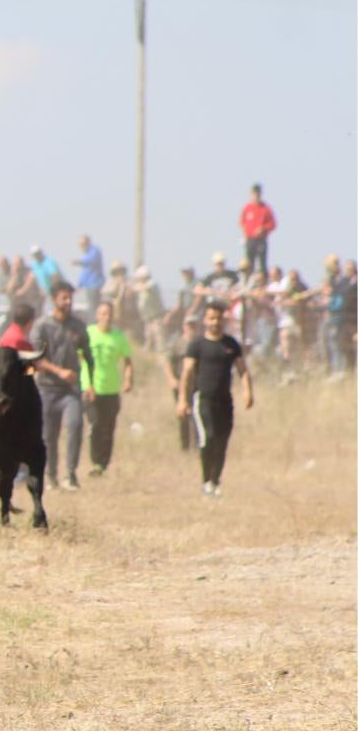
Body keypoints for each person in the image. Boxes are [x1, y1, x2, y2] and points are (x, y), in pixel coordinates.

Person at [177, 301, 254, 498]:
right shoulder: (197, 345)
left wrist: (248, 391)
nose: (215, 322)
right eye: (211, 318)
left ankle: (215, 481)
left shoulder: (230, 344)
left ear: (224, 320)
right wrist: (182, 400)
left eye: (219, 318)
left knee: (222, 442)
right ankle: (205, 482)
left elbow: (242, 370)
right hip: (203, 399)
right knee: (208, 438)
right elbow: (187, 373)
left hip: (225, 401)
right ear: (205, 320)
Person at [31, 282, 93, 491]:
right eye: (64, 298)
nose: (68, 302)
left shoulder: (78, 326)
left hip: (71, 390)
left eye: (70, 298)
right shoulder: (42, 326)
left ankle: (71, 475)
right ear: (54, 299)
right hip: (47, 389)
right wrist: (59, 371)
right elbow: (37, 359)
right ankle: (51, 477)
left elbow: (88, 356)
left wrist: (89, 384)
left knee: (75, 426)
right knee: (49, 434)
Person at [81, 301, 134, 478]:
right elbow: (80, 360)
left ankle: (103, 464)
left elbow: (127, 360)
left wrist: (128, 379)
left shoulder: (118, 337)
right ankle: (95, 462)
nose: (106, 317)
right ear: (97, 315)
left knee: (108, 428)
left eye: (109, 314)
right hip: (91, 388)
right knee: (95, 425)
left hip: (111, 390)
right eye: (103, 313)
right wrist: (88, 385)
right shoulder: (88, 334)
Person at [164, 315, 202, 451]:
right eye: (188, 325)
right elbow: (168, 362)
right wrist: (171, 379)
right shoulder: (177, 344)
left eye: (193, 325)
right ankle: (184, 446)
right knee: (183, 416)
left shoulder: (200, 344)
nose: (191, 328)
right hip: (180, 385)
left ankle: (199, 445)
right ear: (183, 326)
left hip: (197, 385)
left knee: (198, 415)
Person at [239, 183, 276, 277]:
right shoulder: (247, 208)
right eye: (254, 194)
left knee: (262, 263)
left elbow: (273, 224)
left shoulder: (265, 208)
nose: (256, 196)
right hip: (250, 239)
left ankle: (263, 282)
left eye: (258, 194)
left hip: (260, 240)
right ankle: (249, 281)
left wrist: (263, 228)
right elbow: (242, 222)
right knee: (248, 262)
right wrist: (245, 234)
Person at [73, 235, 105, 318]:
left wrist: (78, 261)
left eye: (83, 244)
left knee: (95, 307)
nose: (81, 247)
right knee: (91, 307)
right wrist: (79, 285)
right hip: (89, 286)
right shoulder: (86, 254)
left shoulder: (95, 251)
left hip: (96, 284)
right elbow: (85, 272)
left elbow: (90, 261)